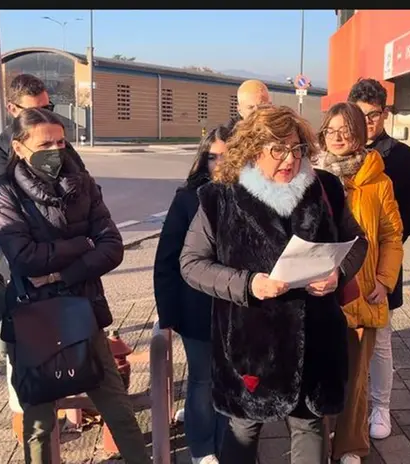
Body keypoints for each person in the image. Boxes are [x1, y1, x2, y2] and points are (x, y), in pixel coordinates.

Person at [179, 105, 368, 464]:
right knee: (244, 428)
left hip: (315, 340)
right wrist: (250, 284)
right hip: (251, 345)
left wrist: (338, 275)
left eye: (296, 149)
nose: (290, 160)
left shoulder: (324, 186)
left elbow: (357, 243)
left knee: (310, 427)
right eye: (277, 150)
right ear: (253, 149)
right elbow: (191, 264)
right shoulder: (220, 197)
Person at [0, 108, 149, 464]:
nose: (56, 150)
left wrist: (64, 273)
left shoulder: (83, 182)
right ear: (20, 146)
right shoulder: (4, 190)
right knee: (40, 423)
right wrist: (83, 244)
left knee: (118, 409)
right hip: (33, 319)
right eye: (45, 143)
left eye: (61, 141)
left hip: (84, 308)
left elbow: (112, 247)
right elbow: (24, 257)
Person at [313, 102, 403, 464]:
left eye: (345, 130)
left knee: (355, 378)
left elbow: (391, 236)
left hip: (362, 291)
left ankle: (350, 446)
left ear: (360, 134)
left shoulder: (378, 181)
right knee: (318, 374)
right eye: (331, 130)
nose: (337, 137)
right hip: (317, 292)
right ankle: (316, 442)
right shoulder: (309, 176)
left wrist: (385, 279)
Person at [347, 77, 410, 440]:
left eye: (374, 114)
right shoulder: (337, 153)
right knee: (341, 339)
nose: (368, 122)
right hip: (339, 269)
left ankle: (380, 408)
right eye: (360, 115)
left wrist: (379, 253)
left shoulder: (403, 157)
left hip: (381, 267)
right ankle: (346, 407)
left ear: (385, 113)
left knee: (380, 339)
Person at [154, 125, 231, 464]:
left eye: (226, 157)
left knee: (231, 380)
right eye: (211, 157)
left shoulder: (253, 196)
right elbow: (166, 259)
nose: (218, 164)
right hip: (197, 306)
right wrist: (168, 314)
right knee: (203, 378)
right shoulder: (188, 198)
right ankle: (202, 450)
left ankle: (228, 443)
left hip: (239, 307)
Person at [0, 73, 86, 181]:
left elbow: (86, 183)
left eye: (47, 108)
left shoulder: (58, 142)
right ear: (12, 109)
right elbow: (9, 191)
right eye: (33, 112)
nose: (43, 116)